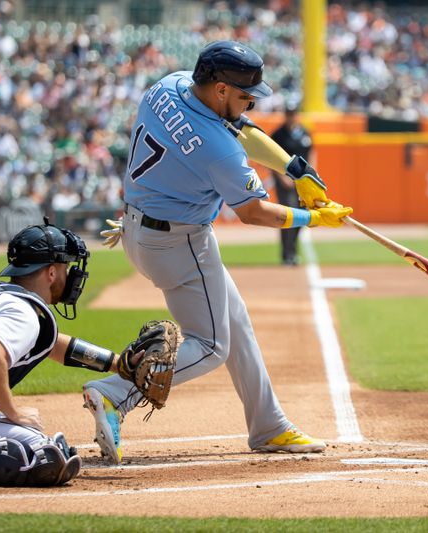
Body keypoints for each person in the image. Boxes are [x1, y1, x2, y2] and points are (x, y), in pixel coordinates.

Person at [86, 40, 352, 464]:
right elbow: (253, 211)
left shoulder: (167, 86)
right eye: (245, 95)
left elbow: (242, 130)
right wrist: (312, 219)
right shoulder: (218, 149)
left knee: (236, 322)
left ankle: (269, 425)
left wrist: (295, 169)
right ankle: (116, 394)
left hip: (140, 226)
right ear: (221, 90)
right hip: (180, 242)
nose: (250, 104)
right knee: (211, 346)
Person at [0, 220, 167, 487]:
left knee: (42, 448)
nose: (70, 274)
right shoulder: (23, 311)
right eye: (66, 267)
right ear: (50, 272)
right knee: (45, 453)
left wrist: (120, 364)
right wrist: (13, 412)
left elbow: (54, 346)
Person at [270, 106, 314, 266]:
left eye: (294, 114)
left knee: (303, 214)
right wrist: (282, 178)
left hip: (303, 181)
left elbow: (312, 152)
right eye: (289, 114)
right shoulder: (278, 134)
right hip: (286, 181)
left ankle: (293, 250)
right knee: (289, 214)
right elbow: (271, 157)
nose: (291, 117)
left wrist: (312, 175)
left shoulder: (305, 132)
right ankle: (287, 254)